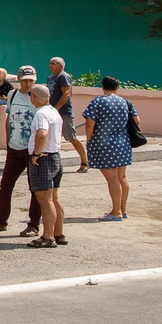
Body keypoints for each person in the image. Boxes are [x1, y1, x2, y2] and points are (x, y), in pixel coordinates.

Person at [0, 66, 41, 237]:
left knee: (35, 188)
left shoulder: (39, 97)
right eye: (25, 80)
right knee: (6, 185)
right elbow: (8, 118)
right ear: (19, 80)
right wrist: (8, 142)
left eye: (31, 81)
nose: (28, 84)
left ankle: (34, 224)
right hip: (14, 147)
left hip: (31, 149)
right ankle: (1, 220)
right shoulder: (13, 95)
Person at [83, 76, 135, 222]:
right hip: (123, 143)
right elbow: (136, 121)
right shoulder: (125, 102)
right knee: (122, 177)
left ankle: (116, 212)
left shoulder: (98, 102)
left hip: (104, 144)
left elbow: (89, 124)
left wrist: (89, 139)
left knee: (112, 179)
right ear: (117, 88)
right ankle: (122, 209)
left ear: (102, 86)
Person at [27, 84, 66, 248]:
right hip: (55, 156)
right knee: (54, 198)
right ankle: (58, 233)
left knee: (45, 199)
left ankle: (48, 236)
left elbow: (42, 133)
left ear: (34, 97)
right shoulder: (53, 112)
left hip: (44, 158)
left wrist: (36, 153)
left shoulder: (41, 114)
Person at [47, 57, 90, 172]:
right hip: (51, 112)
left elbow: (66, 94)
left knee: (71, 137)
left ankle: (85, 161)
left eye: (53, 63)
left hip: (64, 112)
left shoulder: (63, 76)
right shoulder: (50, 78)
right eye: (50, 63)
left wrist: (56, 108)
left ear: (61, 66)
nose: (50, 65)